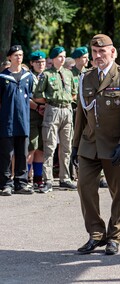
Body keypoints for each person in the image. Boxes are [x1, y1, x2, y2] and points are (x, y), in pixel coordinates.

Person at [71, 34, 120, 255]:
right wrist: (74, 146)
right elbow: (80, 114)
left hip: (117, 144)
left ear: (113, 52)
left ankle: (115, 236)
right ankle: (96, 233)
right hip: (90, 144)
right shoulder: (86, 78)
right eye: (94, 52)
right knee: (85, 187)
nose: (98, 56)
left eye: (102, 51)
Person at [34, 46, 78, 192]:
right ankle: (48, 180)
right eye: (59, 56)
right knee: (50, 145)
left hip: (67, 109)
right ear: (53, 59)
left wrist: (65, 101)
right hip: (52, 110)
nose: (62, 59)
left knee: (66, 147)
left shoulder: (68, 73)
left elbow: (73, 93)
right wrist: (49, 101)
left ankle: (65, 178)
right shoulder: (46, 74)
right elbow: (37, 95)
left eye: (64, 56)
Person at [0, 45, 34, 196]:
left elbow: (30, 96)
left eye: (20, 55)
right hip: (7, 121)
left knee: (22, 153)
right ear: (9, 58)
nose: (19, 57)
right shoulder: (2, 77)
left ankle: (21, 183)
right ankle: (5, 184)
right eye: (15, 55)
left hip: (23, 121)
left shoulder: (28, 77)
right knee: (6, 154)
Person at [28, 51, 47, 191]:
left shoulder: (48, 76)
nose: (41, 65)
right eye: (38, 62)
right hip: (32, 115)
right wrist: (37, 107)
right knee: (31, 147)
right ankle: (27, 177)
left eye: (43, 62)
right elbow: (25, 96)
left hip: (46, 116)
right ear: (32, 63)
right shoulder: (28, 77)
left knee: (41, 147)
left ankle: (38, 179)